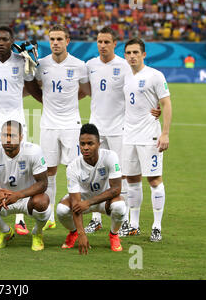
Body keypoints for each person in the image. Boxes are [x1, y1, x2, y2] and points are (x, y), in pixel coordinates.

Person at [82, 26, 161, 234]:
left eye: (107, 42)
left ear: (114, 44)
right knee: (94, 174)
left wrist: (156, 108)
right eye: (99, 41)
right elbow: (87, 90)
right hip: (96, 128)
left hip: (121, 128)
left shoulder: (125, 65)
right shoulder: (90, 65)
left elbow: (141, 88)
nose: (103, 45)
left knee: (123, 175)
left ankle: (125, 219)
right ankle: (96, 218)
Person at [25, 25, 90, 231]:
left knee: (74, 170)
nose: (55, 43)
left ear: (67, 41)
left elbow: (86, 90)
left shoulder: (79, 65)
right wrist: (45, 101)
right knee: (49, 171)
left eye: (59, 39)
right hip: (48, 125)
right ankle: (50, 215)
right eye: (52, 39)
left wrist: (70, 102)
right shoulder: (41, 64)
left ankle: (75, 211)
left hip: (71, 125)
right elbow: (32, 85)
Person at [0, 26, 36, 235]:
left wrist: (32, 56)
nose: (0, 42)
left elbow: (32, 82)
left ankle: (20, 218)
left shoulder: (22, 61)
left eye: (4, 39)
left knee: (22, 169)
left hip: (16, 122)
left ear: (11, 41)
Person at [122, 38, 172, 242]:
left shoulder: (155, 75)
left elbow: (166, 104)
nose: (132, 56)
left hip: (149, 135)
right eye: (128, 53)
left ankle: (156, 226)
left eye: (135, 52)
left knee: (154, 179)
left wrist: (165, 133)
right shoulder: (126, 76)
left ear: (143, 54)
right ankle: (133, 225)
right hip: (128, 136)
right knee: (131, 179)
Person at [0, 120, 50, 251]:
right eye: (5, 135)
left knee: (42, 201)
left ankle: (37, 233)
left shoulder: (33, 151)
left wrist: (19, 195)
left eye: (12, 136)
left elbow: (43, 183)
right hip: (3, 199)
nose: (8, 140)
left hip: (27, 198)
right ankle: (5, 231)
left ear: (21, 137)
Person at [56, 123, 126, 254]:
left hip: (104, 200)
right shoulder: (73, 166)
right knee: (61, 210)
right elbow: (76, 202)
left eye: (90, 143)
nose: (85, 148)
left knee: (120, 207)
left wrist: (89, 202)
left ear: (99, 143)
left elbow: (116, 189)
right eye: (82, 144)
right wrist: (82, 234)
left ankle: (114, 235)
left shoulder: (110, 157)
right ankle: (74, 233)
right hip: (82, 200)